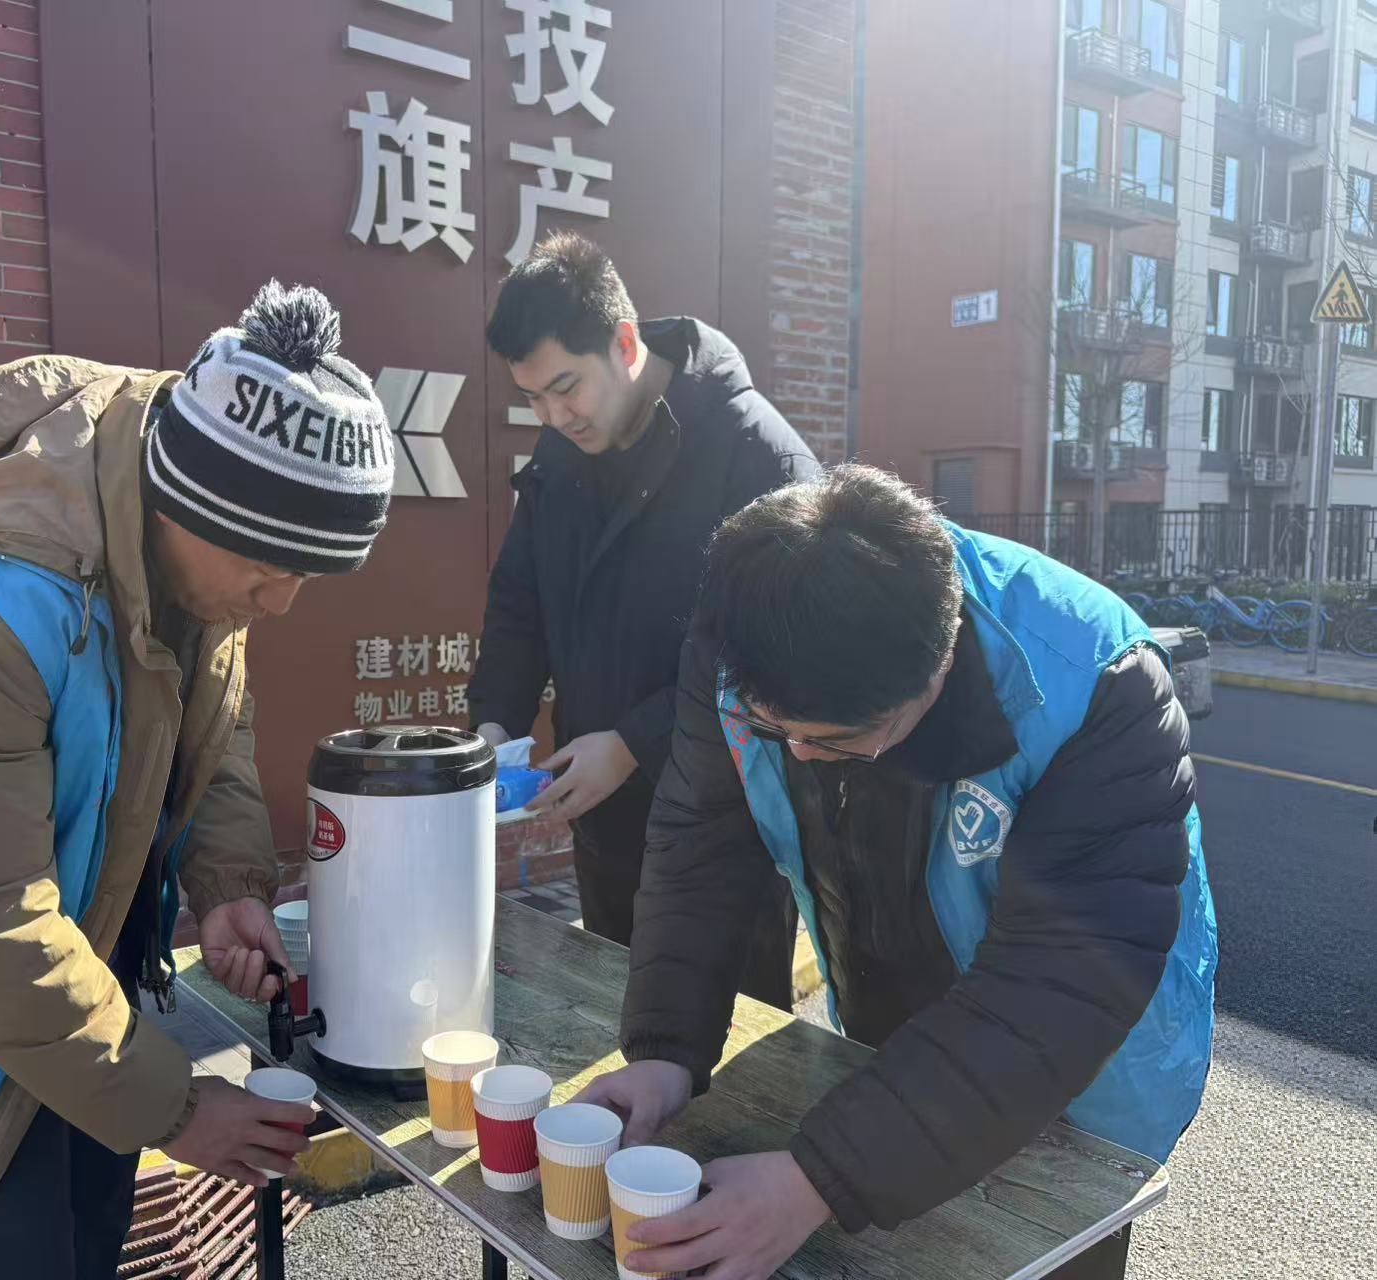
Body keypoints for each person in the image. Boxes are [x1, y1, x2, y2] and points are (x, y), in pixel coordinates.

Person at [0, 282, 396, 1279]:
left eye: (306, 573)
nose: (281, 602)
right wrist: (178, 1106)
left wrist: (228, 884)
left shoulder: (191, 526)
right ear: (185, 502)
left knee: (89, 1246)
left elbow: (212, 711)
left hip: (70, 977)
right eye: (268, 571)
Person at [580, 466, 1216, 1280]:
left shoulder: (1095, 682)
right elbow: (700, 845)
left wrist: (819, 1178)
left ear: (939, 664)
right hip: (892, 1044)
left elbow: (1061, 982)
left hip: (1077, 1075)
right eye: (775, 731)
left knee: (1043, 1258)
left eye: (839, 740)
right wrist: (664, 1051)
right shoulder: (743, 635)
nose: (801, 755)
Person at [469, 233, 818, 1008]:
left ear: (624, 344)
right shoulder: (561, 457)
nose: (551, 415)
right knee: (617, 1024)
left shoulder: (756, 454)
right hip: (606, 826)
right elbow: (519, 603)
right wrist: (494, 724)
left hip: (726, 830)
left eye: (565, 387)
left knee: (724, 1046)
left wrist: (635, 742)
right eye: (531, 397)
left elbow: (773, 653)